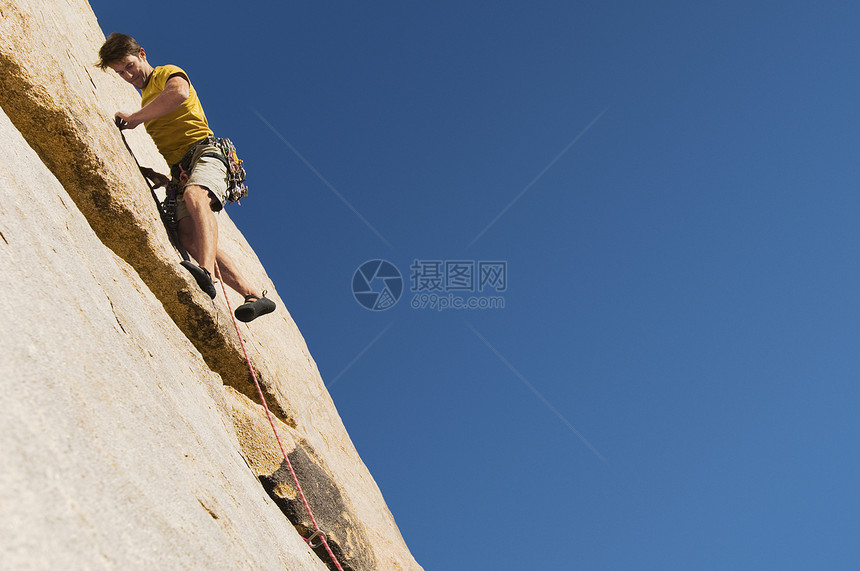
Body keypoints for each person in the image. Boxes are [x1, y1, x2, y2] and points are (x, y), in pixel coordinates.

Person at [96, 33, 275, 323]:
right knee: (188, 237)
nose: (128, 76)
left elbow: (179, 93)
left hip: (206, 153)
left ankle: (205, 272)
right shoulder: (147, 97)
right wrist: (166, 179)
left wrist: (136, 117)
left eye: (129, 66)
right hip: (181, 169)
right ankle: (254, 295)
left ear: (142, 54)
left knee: (195, 197)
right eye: (120, 73)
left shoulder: (165, 73)